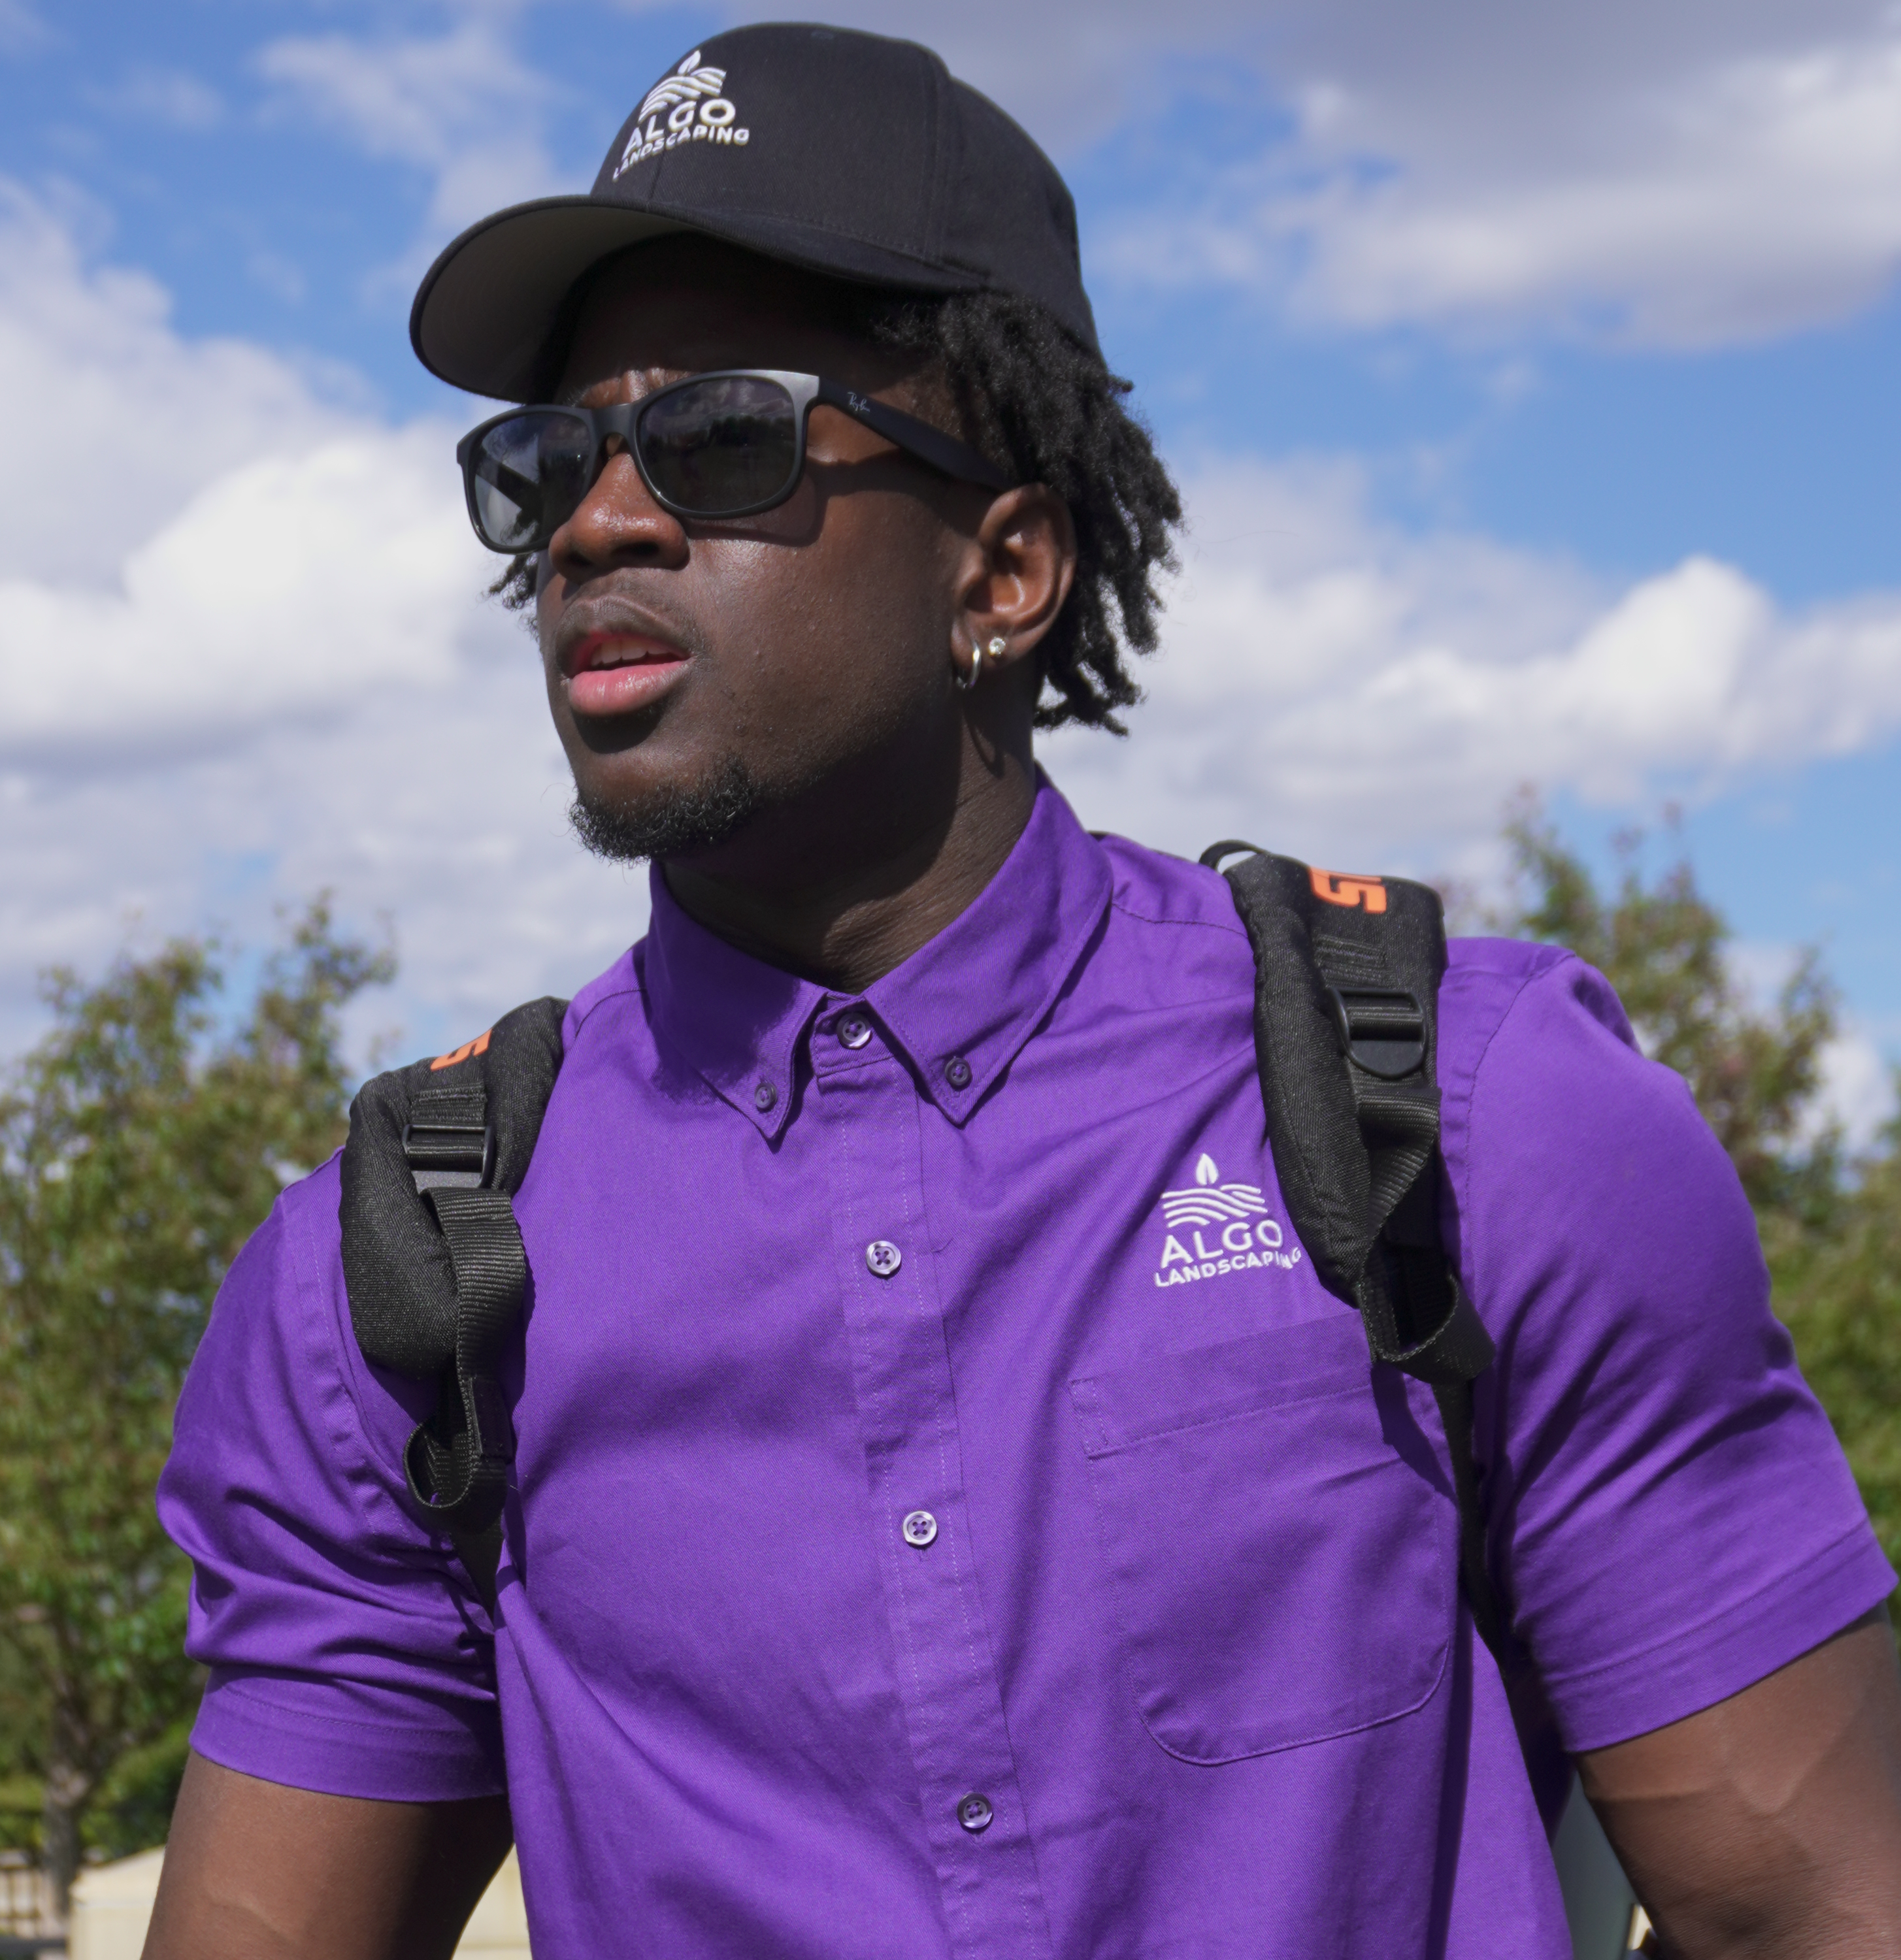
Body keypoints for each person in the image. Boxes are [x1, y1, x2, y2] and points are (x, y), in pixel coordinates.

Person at [142, 24, 1901, 1959]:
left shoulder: (1465, 1126)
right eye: (549, 461)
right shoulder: (398, 1283)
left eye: (722, 436)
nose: (600, 524)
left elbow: (1812, 1907)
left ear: (1007, 570)